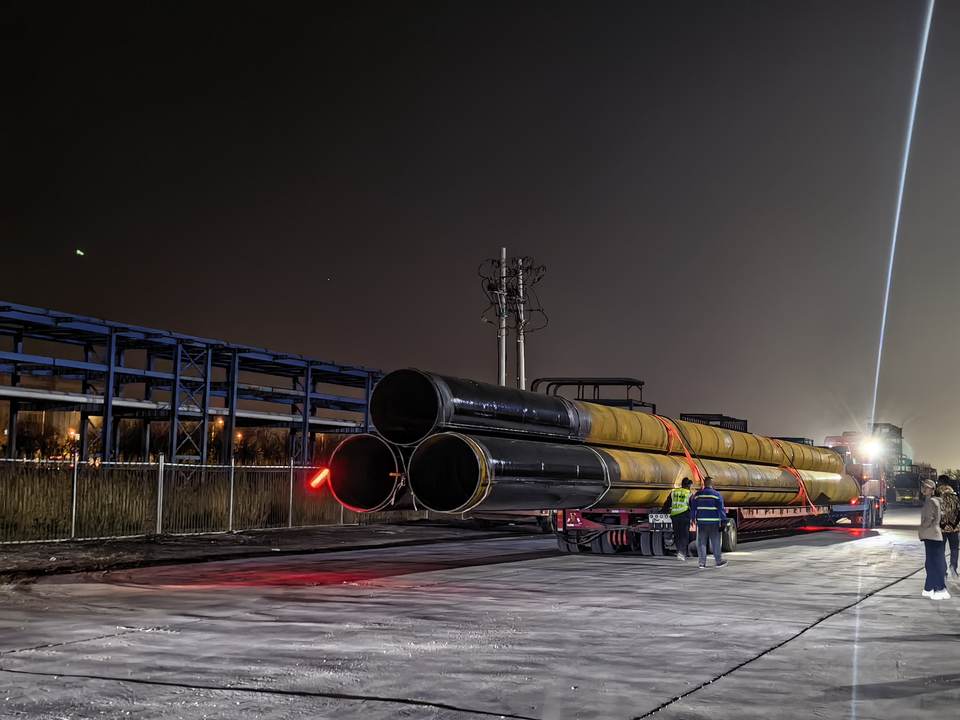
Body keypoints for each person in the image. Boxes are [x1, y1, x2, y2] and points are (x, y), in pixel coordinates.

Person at [919, 478, 949, 600]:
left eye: (926, 487)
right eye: (923, 487)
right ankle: (929, 588)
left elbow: (930, 518)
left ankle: (939, 588)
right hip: (932, 535)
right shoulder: (933, 501)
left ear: (932, 490)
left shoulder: (931, 502)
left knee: (934, 563)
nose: (924, 489)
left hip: (931, 535)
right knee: (931, 563)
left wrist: (923, 527)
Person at [690, 476, 728, 569]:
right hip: (713, 523)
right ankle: (718, 562)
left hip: (701, 522)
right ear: (711, 484)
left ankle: (702, 563)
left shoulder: (698, 495)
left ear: (704, 484)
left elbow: (693, 508)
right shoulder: (716, 495)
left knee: (701, 543)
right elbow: (721, 509)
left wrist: (692, 518)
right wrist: (723, 521)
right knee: (715, 542)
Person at [661, 478, 693, 561]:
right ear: (688, 485)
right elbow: (692, 506)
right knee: (684, 535)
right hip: (685, 516)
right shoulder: (689, 493)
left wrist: (663, 511)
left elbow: (667, 503)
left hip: (675, 516)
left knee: (677, 535)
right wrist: (694, 517)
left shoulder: (674, 492)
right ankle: (683, 553)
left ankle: (679, 552)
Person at [936, 475, 959, 580]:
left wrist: (940, 524)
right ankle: (953, 566)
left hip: (941, 528)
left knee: (940, 550)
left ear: (940, 482)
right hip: (954, 528)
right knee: (954, 549)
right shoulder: (955, 496)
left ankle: (943, 571)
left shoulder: (937, 496)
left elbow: (935, 512)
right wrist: (955, 524)